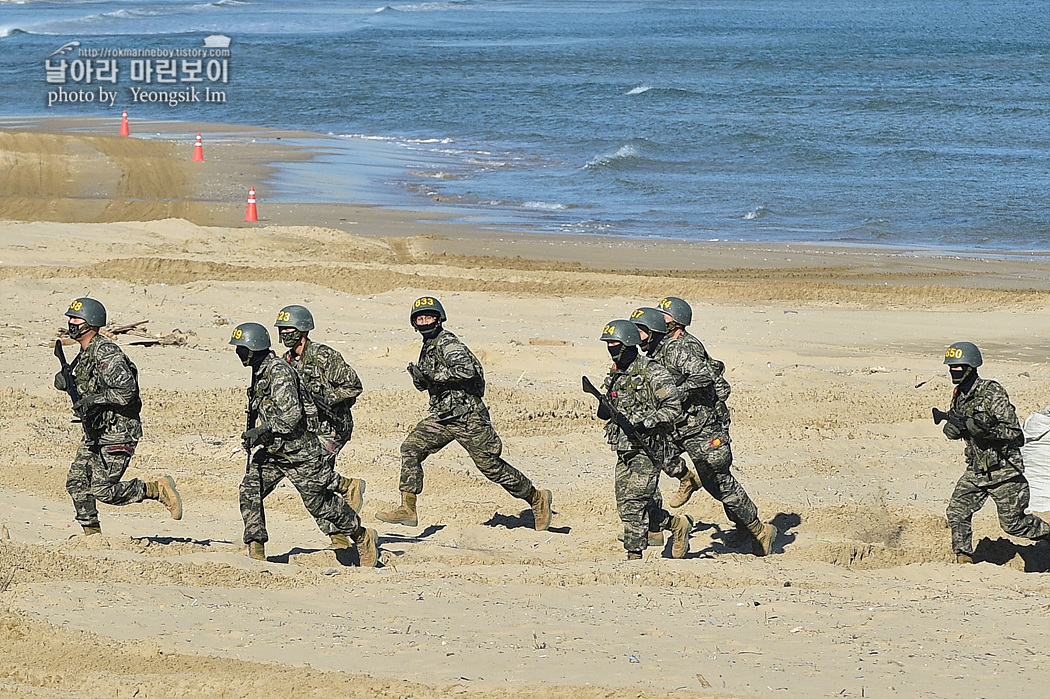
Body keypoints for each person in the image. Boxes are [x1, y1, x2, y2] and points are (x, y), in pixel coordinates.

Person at [376, 297, 552, 530]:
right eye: (420, 318)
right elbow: (430, 382)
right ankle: (408, 508)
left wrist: (433, 377)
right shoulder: (428, 346)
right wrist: (422, 379)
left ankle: (536, 498)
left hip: (468, 417)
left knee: (491, 467)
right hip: (444, 416)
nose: (425, 321)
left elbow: (466, 370)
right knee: (411, 448)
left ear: (438, 319)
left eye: (429, 317)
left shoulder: (447, 343)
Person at [230, 322, 379, 566]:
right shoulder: (260, 372)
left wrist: (263, 429)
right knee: (250, 489)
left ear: (254, 348)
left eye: (242, 349)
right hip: (273, 451)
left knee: (321, 506)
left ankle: (361, 536)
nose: (238, 354)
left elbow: (290, 418)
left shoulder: (278, 372)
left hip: (299, 452)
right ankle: (256, 547)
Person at [653, 296, 777, 556]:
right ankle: (687, 480)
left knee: (718, 482)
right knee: (654, 453)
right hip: (681, 424)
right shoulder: (662, 345)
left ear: (676, 321)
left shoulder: (686, 347)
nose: (658, 319)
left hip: (706, 426)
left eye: (663, 315)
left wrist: (676, 392)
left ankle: (756, 528)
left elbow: (705, 379)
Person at [54, 297, 182, 535]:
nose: (71, 323)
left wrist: (94, 400)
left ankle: (155, 489)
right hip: (95, 429)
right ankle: (92, 536)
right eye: (70, 318)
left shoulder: (106, 352)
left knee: (102, 489)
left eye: (76, 319)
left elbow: (127, 391)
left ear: (91, 322)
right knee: (77, 483)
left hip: (119, 430)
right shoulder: (85, 352)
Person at [940, 341, 1050, 563]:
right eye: (951, 367)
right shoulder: (959, 395)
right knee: (956, 513)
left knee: (1014, 525)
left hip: (1004, 472)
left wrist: (981, 430)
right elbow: (959, 428)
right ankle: (963, 559)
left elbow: (1015, 434)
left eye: (958, 367)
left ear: (971, 366)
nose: (954, 371)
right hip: (977, 471)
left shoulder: (992, 392)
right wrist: (953, 429)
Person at [596, 319, 692, 560]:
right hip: (624, 448)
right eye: (608, 344)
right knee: (626, 505)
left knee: (635, 503)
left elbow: (672, 408)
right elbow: (609, 406)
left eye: (614, 344)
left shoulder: (652, 371)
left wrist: (645, 424)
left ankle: (634, 555)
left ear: (628, 344)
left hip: (649, 447)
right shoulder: (617, 373)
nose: (611, 349)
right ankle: (675, 524)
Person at [275, 304, 366, 546]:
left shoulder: (324, 356)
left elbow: (354, 386)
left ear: (303, 330)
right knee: (309, 482)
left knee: (311, 478)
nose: (285, 334)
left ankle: (344, 515)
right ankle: (337, 532)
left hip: (332, 428)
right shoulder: (285, 362)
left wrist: (328, 399)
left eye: (289, 329)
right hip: (308, 431)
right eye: (282, 329)